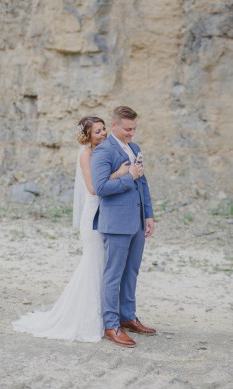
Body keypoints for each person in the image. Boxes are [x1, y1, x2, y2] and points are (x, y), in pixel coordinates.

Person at [12, 116, 129, 342]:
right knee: (93, 264)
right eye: (97, 131)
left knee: (103, 266)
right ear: (87, 136)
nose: (103, 133)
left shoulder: (106, 151)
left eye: (104, 129)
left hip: (106, 216)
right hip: (92, 217)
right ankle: (87, 319)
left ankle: (108, 318)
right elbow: (94, 189)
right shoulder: (86, 155)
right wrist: (120, 174)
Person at [91, 106, 156, 348]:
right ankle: (112, 325)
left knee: (132, 272)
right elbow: (101, 189)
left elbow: (144, 184)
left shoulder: (135, 148)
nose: (132, 133)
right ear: (114, 125)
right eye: (127, 129)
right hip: (116, 223)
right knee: (113, 274)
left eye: (134, 129)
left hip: (137, 221)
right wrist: (128, 176)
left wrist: (148, 215)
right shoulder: (103, 151)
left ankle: (127, 317)